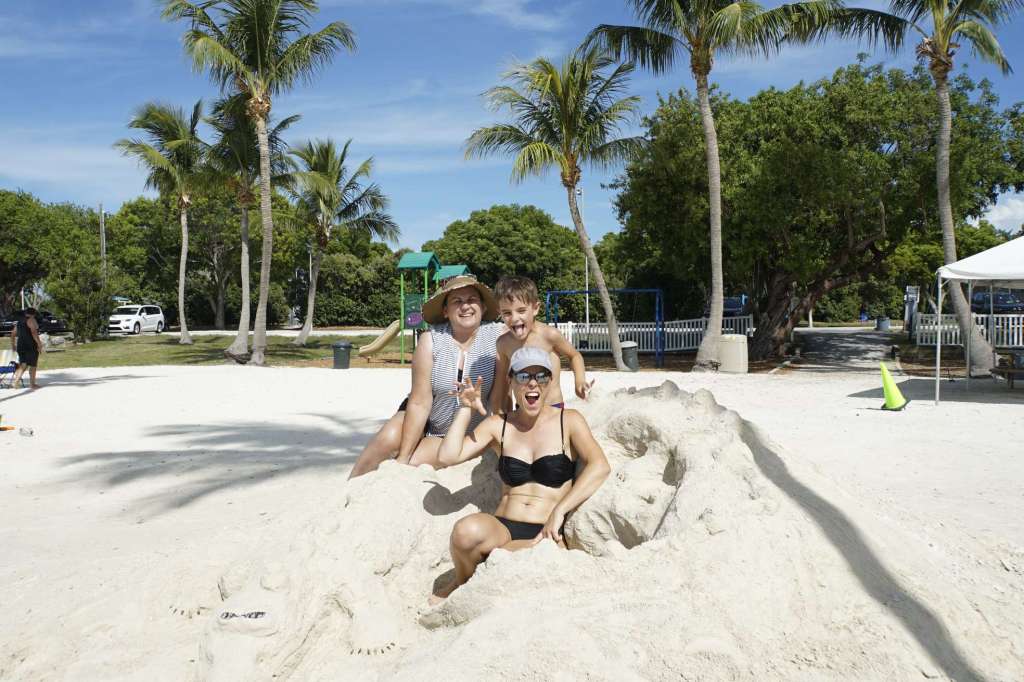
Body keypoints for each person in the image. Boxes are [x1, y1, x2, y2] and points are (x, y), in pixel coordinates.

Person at [430, 346, 610, 602]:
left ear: (549, 382)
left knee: (524, 558)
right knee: (464, 532)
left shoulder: (569, 420)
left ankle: (483, 572)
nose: (533, 383)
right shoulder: (499, 425)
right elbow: (447, 457)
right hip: (502, 527)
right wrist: (465, 409)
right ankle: (463, 583)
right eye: (524, 376)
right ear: (511, 381)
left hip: (546, 531)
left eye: (541, 376)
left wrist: (560, 511)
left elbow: (599, 465)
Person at [348, 275, 506, 477]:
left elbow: (499, 401)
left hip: (471, 435)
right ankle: (352, 486)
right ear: (445, 311)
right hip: (433, 429)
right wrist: (403, 458)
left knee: (416, 461)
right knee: (390, 436)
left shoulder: (498, 337)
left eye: (472, 299)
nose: (465, 306)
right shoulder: (431, 340)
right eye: (457, 301)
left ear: (483, 307)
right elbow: (419, 402)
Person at [491, 276, 592, 413]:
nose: (514, 318)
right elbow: (502, 382)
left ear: (535, 308)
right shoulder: (503, 343)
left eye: (521, 311)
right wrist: (500, 412)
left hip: (553, 409)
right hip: (523, 411)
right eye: (507, 313)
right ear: (500, 313)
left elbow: (574, 356)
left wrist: (579, 382)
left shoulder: (549, 335)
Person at [10, 308, 43, 390]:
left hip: (20, 345)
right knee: (33, 365)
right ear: (33, 314)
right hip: (30, 345)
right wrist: (39, 344)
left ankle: (15, 382)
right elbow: (34, 333)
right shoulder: (32, 320)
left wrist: (13, 345)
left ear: (26, 313)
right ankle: (32, 384)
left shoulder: (19, 322)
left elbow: (13, 334)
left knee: (23, 364)